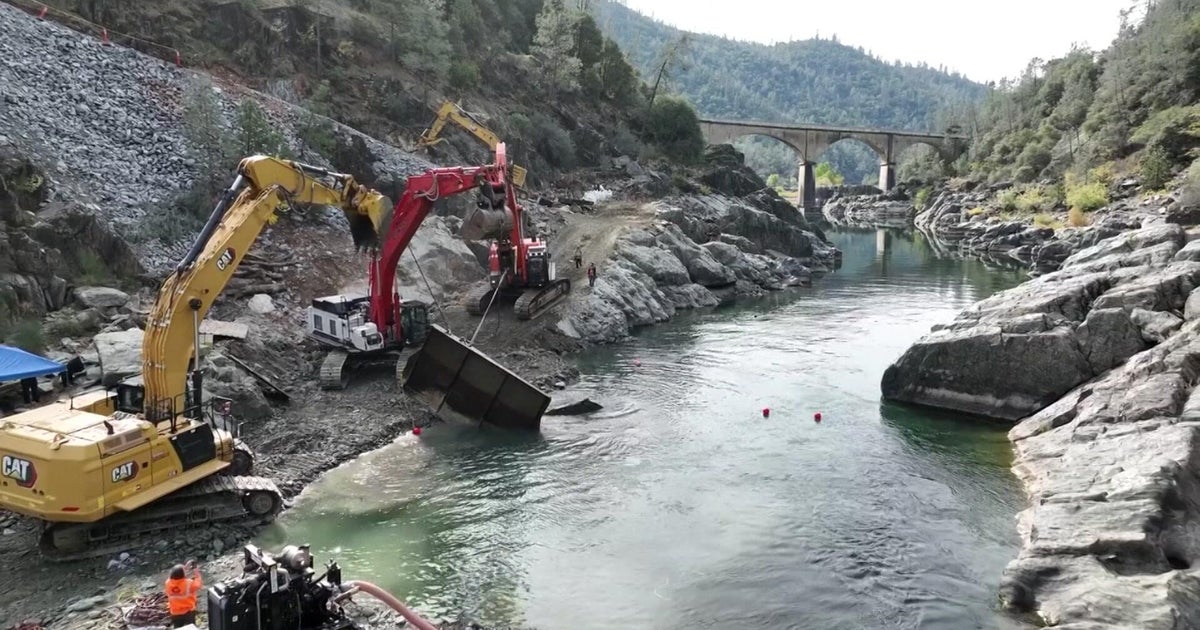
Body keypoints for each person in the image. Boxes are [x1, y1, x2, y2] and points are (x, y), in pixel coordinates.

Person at [165, 560, 203, 628]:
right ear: (183, 574)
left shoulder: (168, 583)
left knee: (178, 628)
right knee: (191, 628)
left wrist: (185, 567)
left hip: (175, 612)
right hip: (188, 612)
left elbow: (177, 574)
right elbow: (198, 584)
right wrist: (197, 573)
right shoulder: (189, 583)